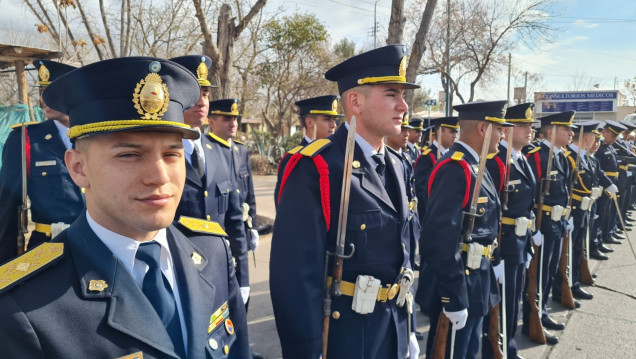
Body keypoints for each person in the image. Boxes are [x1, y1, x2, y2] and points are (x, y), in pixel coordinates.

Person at [0, 56, 250, 358]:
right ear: (78, 168)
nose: (159, 177)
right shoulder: (24, 304)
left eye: (172, 155)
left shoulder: (213, 253)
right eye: (130, 155)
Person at [271, 44, 419, 359]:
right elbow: (295, 279)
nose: (403, 106)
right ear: (355, 101)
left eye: (403, 96)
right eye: (391, 94)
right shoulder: (318, 167)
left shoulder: (398, 163)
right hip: (346, 338)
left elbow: (402, 252)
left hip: (393, 329)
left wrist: (408, 329)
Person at [417, 100, 510, 359]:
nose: (502, 136)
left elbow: (487, 225)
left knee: (469, 351)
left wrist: (496, 260)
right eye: (499, 129)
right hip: (461, 282)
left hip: (478, 278)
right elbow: (438, 240)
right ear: (483, 128)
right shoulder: (455, 168)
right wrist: (454, 297)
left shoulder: (477, 165)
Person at [170, 56, 251, 308]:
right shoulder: (160, 153)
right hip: (177, 271)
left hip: (219, 269)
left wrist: (243, 277)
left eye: (205, 93)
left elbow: (234, 220)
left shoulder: (219, 151)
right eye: (193, 93)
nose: (202, 101)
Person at [0, 60, 84, 263]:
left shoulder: (101, 138)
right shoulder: (26, 139)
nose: (44, 99)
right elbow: (8, 207)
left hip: (99, 246)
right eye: (41, 91)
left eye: (52, 92)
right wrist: (6, 265)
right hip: (48, 248)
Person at [484, 103, 537, 358]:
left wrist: (527, 240)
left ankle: (508, 346)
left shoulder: (521, 158)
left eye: (530, 126)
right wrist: (494, 258)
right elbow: (490, 214)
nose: (529, 130)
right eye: (523, 125)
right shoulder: (496, 162)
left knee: (513, 299)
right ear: (506, 130)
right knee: (501, 304)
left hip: (519, 241)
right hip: (503, 246)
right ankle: (500, 348)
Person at [524, 111, 575, 334]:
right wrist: (534, 227)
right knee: (539, 273)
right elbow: (530, 195)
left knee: (551, 270)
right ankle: (534, 317)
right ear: (550, 132)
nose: (571, 133)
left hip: (557, 222)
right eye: (566, 129)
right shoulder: (537, 156)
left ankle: (542, 310)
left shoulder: (562, 156)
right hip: (543, 224)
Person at [205, 98, 253, 306]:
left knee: (242, 288)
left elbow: (248, 189)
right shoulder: (207, 151)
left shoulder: (240, 150)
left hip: (241, 224)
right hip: (219, 226)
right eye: (226, 119)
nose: (233, 123)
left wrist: (255, 226)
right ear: (212, 121)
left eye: (235, 119)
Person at [556, 121, 605, 303]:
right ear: (587, 137)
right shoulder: (570, 157)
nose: (594, 141)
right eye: (593, 137)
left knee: (578, 249)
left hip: (584, 210)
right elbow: (564, 189)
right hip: (574, 211)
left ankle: (574, 282)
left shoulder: (584, 158)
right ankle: (564, 286)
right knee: (567, 252)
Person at [275, 95, 342, 206]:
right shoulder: (294, 159)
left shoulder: (338, 154)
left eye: (334, 120)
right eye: (327, 119)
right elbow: (286, 206)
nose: (333, 125)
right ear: (310, 122)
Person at [412, 116, 458, 219]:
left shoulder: (451, 155)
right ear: (439, 132)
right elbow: (422, 192)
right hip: (433, 215)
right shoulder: (427, 157)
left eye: (456, 132)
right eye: (451, 132)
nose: (455, 136)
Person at [595, 121, 625, 248]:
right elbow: (598, 170)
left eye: (616, 136)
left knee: (609, 213)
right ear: (604, 132)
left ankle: (606, 235)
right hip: (603, 187)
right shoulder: (599, 148)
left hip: (612, 184)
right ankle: (597, 242)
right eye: (613, 136)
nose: (615, 139)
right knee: (601, 215)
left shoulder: (610, 147)